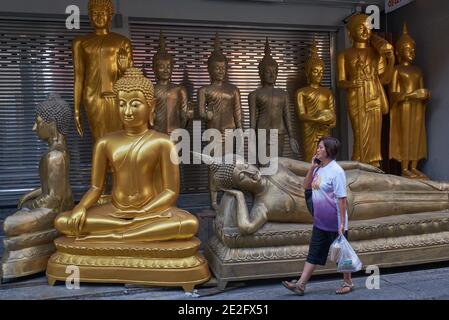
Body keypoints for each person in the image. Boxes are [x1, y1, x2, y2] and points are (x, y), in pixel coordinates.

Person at [282, 137, 354, 295]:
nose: (317, 149)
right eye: (318, 147)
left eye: (321, 147)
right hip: (320, 221)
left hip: (335, 222)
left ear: (328, 151)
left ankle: (348, 282)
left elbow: (342, 198)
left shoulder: (337, 171)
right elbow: (306, 186)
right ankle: (300, 284)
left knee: (341, 254)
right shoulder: (319, 168)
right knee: (313, 253)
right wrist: (312, 167)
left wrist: (342, 224)